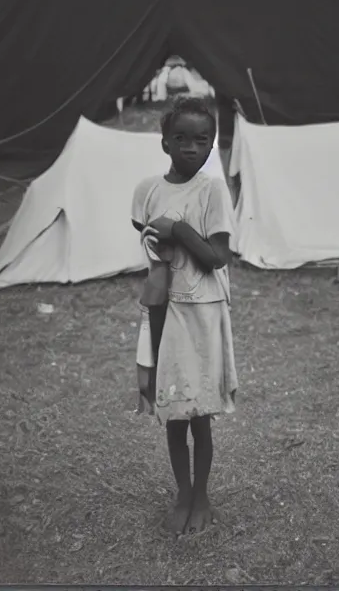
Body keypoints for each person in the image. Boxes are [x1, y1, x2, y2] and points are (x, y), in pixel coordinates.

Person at [131, 96, 238, 536]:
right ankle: (181, 492)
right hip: (164, 309)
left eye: (202, 140)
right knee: (172, 408)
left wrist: (178, 229)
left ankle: (202, 495)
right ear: (164, 144)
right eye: (181, 139)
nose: (192, 148)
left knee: (200, 413)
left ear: (212, 145)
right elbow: (152, 251)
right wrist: (166, 240)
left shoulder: (212, 190)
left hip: (204, 314)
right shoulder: (148, 191)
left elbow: (216, 256)